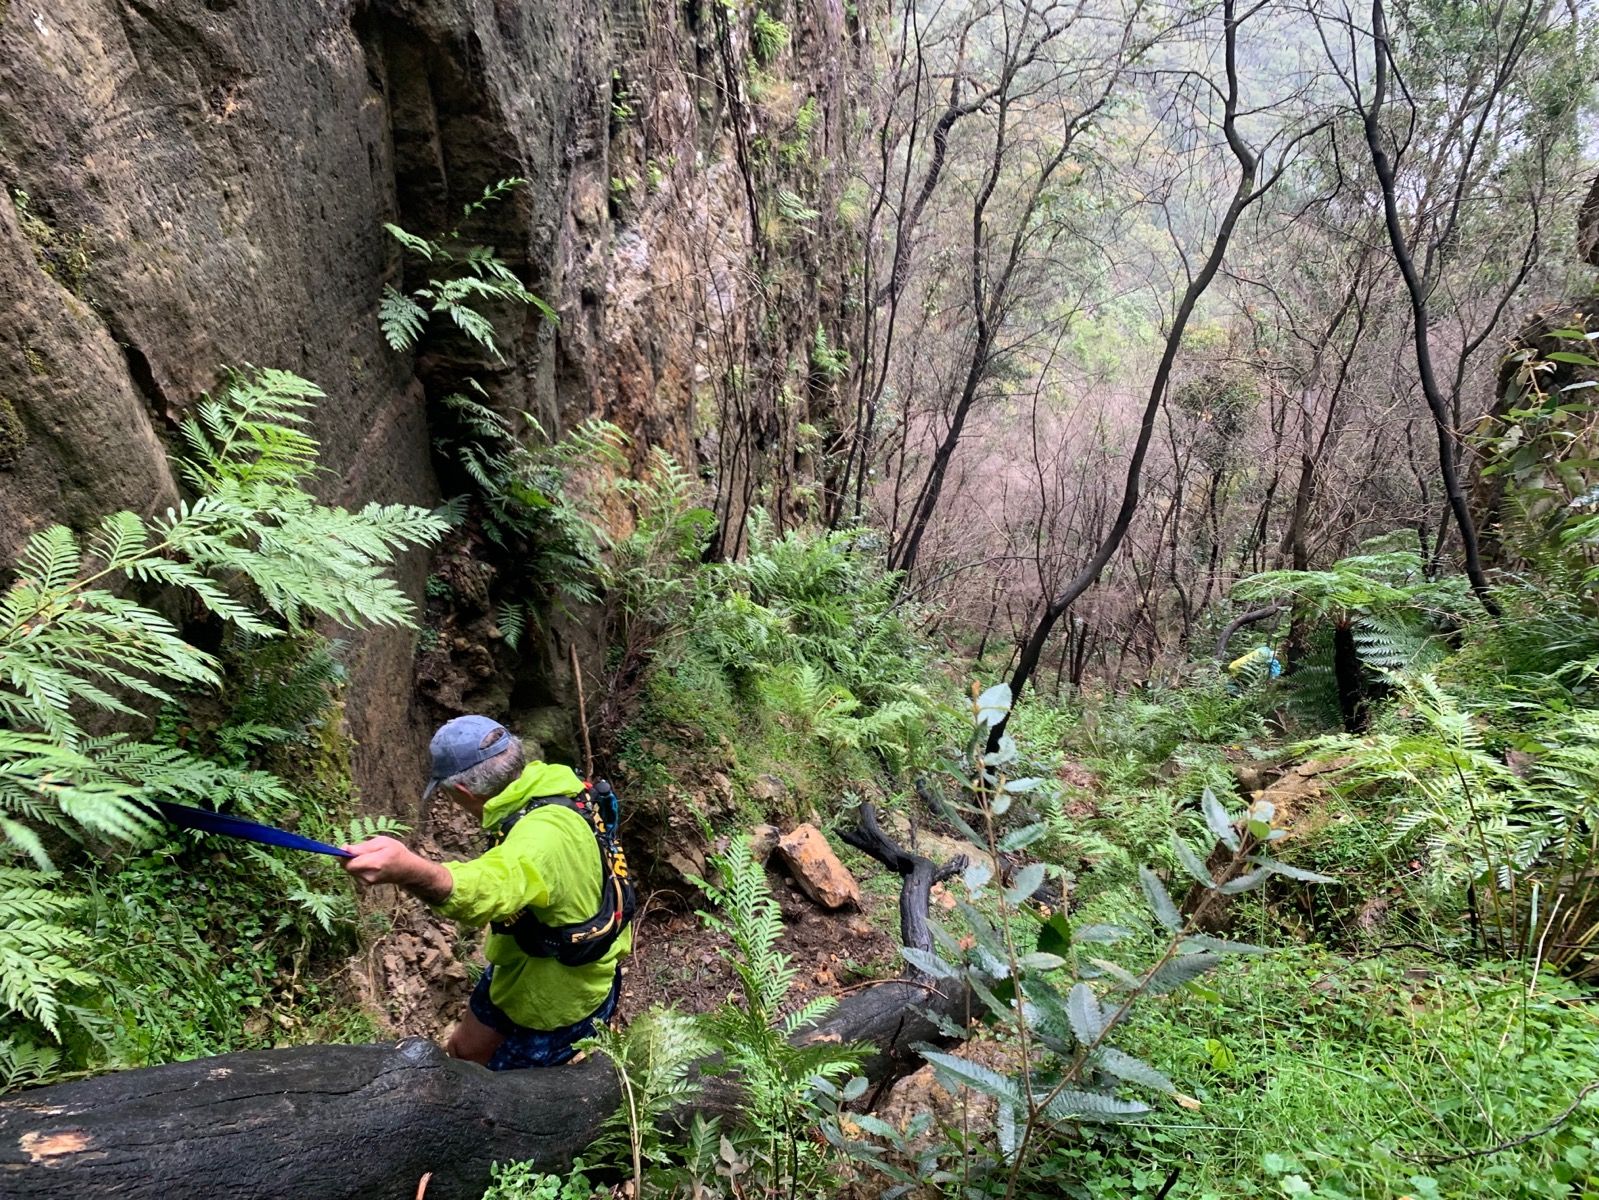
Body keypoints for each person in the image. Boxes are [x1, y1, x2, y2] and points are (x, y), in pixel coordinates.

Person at [342, 714, 630, 1070]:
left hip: (556, 998)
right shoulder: (555, 784)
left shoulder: (541, 838)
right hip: (526, 965)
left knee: (510, 1093)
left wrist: (407, 869)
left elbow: (489, 886)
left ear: (463, 792)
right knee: (462, 1053)